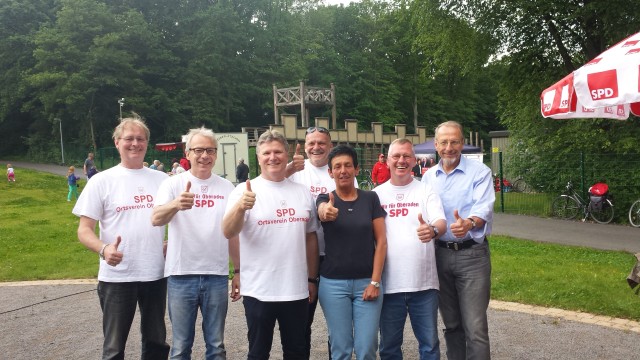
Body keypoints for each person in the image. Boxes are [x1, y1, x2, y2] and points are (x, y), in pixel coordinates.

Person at [72, 115, 170, 360]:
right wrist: (104, 249)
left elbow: (177, 219)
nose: (135, 143)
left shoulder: (163, 180)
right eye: (129, 139)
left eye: (140, 139)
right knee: (114, 347)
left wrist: (172, 243)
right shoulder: (101, 181)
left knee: (156, 342)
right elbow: (84, 230)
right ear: (117, 142)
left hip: (155, 273)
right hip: (117, 276)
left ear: (147, 143)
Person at [222, 129, 319, 359]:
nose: (272, 157)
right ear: (258, 157)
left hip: (295, 289)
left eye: (278, 152)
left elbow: (310, 237)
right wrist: (240, 208)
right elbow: (228, 231)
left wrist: (312, 279)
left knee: (297, 351)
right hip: (259, 290)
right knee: (258, 352)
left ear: (286, 155)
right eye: (267, 153)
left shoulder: (302, 192)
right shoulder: (243, 192)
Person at [152, 127, 237, 360]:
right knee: (180, 347)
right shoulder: (173, 184)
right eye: (198, 150)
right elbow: (155, 218)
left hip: (216, 275)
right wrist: (175, 205)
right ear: (187, 153)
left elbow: (233, 233)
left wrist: (237, 270)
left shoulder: (227, 188)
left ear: (216, 154)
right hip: (181, 274)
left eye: (210, 150)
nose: (204, 156)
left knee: (216, 346)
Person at [421, 121, 495, 360]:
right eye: (444, 142)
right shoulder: (428, 177)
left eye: (454, 141)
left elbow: (483, 208)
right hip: (439, 254)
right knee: (451, 323)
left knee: (475, 328)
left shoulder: (480, 172)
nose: (449, 147)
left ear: (462, 143)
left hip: (472, 256)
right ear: (436, 145)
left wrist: (469, 223)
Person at [373, 139, 447, 360]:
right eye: (396, 156)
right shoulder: (376, 195)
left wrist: (432, 230)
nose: (401, 161)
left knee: (429, 346)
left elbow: (441, 222)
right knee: (388, 347)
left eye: (406, 156)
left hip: (423, 286)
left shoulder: (426, 191)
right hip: (388, 285)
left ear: (415, 161)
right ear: (387, 160)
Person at [286, 126, 355, 358]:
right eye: (311, 143)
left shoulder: (338, 170)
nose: (316, 147)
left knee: (337, 326)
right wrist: (287, 170)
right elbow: (266, 184)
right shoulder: (295, 172)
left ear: (330, 145)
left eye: (321, 143)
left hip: (335, 256)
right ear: (305, 146)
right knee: (301, 322)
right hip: (303, 257)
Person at [316, 144, 387, 360]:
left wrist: (375, 282)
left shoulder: (370, 199)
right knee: (341, 348)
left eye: (348, 165)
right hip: (333, 285)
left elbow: (381, 241)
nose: (343, 170)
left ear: (356, 169)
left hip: (367, 282)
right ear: (330, 172)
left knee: (366, 348)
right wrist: (325, 211)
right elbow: (321, 211)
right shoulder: (325, 199)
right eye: (337, 166)